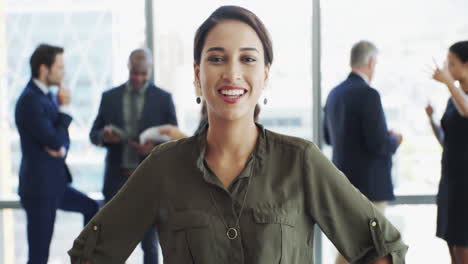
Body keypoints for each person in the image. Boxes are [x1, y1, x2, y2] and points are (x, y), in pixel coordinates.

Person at [69, 6, 407, 263]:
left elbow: (381, 247)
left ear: (265, 74)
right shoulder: (165, 167)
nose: (232, 72)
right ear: (198, 75)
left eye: (247, 59)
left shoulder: (300, 161)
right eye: (217, 58)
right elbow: (91, 253)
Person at [88, 48, 178, 264]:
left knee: (150, 246)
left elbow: (175, 137)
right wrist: (104, 136)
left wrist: (154, 146)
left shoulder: (163, 99)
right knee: (112, 244)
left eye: (143, 74)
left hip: (147, 181)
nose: (138, 78)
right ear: (128, 68)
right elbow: (94, 134)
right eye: (134, 73)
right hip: (116, 180)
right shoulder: (109, 97)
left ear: (150, 70)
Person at [14, 44, 98, 264]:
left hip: (56, 184)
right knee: (39, 256)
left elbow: (61, 141)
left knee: (91, 208)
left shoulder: (49, 97)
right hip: (39, 188)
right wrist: (65, 112)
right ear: (44, 69)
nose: (63, 72)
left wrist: (59, 148)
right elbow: (54, 137)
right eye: (59, 67)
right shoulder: (29, 100)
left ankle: (84, 259)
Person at [323, 40, 403, 264]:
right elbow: (379, 144)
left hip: (343, 183)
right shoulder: (369, 94)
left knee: (357, 246)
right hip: (369, 187)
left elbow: (329, 137)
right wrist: (395, 139)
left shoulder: (334, 94)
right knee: (367, 248)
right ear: (371, 61)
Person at [425, 40, 468, 264]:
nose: (447, 69)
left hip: (465, 185)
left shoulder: (459, 97)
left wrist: (449, 83)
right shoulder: (454, 98)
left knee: (463, 246)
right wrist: (431, 119)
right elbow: (446, 140)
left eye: (452, 64)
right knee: (452, 245)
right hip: (450, 181)